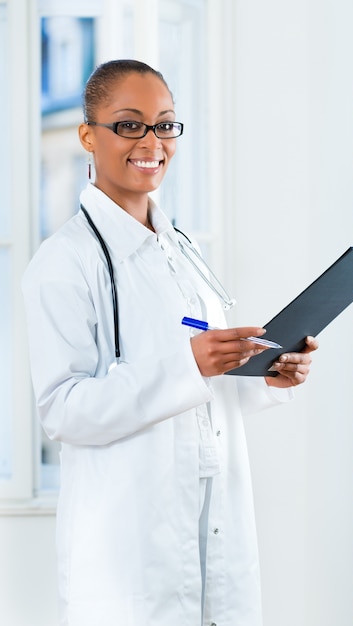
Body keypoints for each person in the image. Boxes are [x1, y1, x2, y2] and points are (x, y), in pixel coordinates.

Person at [22, 59, 318, 626]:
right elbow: (63, 411)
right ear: (88, 135)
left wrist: (267, 374)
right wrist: (187, 364)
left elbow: (203, 389)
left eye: (165, 124)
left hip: (214, 531)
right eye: (129, 124)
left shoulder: (182, 248)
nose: (151, 142)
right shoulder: (63, 263)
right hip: (128, 556)